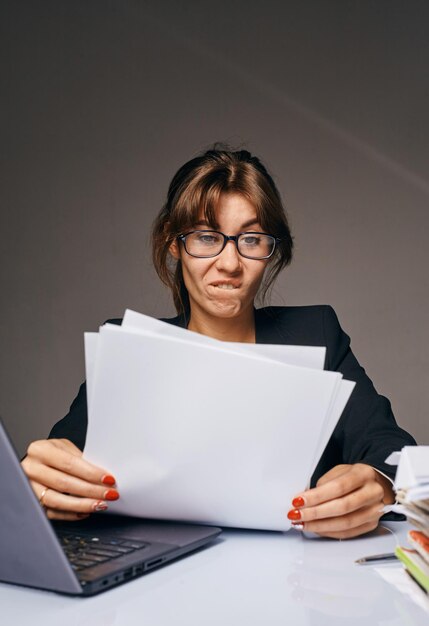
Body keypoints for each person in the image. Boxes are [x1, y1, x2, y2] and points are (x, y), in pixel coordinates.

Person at [21, 146, 416, 538]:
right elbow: (58, 460)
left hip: (294, 583)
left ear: (271, 249)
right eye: (207, 237)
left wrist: (379, 484)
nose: (229, 264)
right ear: (172, 243)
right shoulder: (129, 351)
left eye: (252, 239)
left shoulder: (318, 334)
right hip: (152, 582)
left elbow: (391, 448)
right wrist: (38, 480)